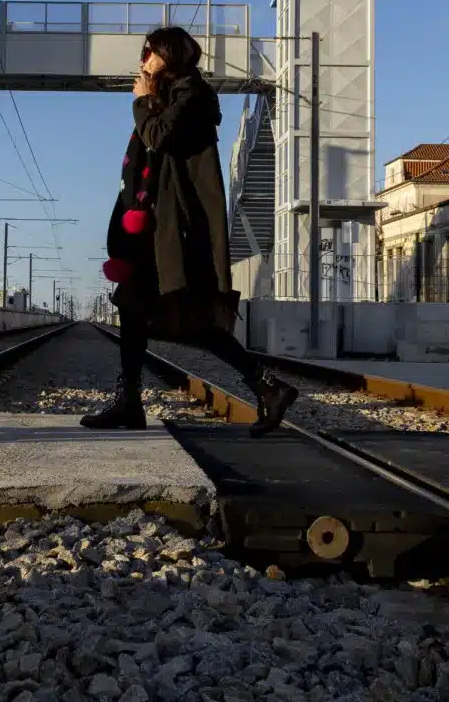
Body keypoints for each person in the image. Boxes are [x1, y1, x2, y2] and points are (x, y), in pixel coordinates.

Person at [83, 26, 300, 437]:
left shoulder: (192, 96)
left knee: (192, 320)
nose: (142, 59)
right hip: (154, 228)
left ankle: (267, 386)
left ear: (167, 56)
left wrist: (144, 100)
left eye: (149, 52)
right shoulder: (173, 98)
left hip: (176, 232)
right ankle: (129, 401)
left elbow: (158, 136)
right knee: (132, 307)